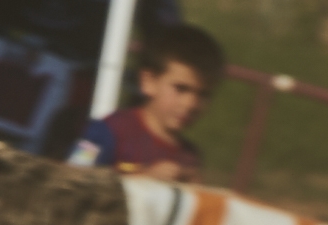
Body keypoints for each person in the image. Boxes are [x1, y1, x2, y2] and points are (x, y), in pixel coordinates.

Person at [69, 21, 225, 182]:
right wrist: (140, 177)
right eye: (180, 89)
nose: (191, 104)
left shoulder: (190, 158)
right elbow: (71, 176)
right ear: (148, 82)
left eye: (203, 94)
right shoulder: (105, 131)